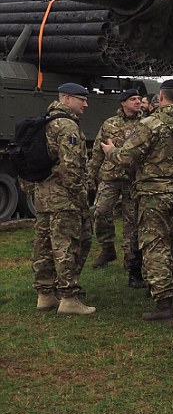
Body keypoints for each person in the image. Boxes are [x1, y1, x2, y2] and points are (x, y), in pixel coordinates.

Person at [101, 79, 173, 322]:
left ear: (161, 97)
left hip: (153, 195)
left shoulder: (151, 124)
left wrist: (110, 152)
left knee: (155, 246)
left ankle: (164, 305)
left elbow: (127, 157)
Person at [32, 82, 96, 315]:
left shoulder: (44, 122)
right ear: (67, 98)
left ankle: (45, 294)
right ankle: (68, 298)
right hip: (64, 198)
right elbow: (71, 168)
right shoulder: (67, 126)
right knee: (66, 245)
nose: (86, 104)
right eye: (82, 99)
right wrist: (81, 197)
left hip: (43, 196)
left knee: (44, 246)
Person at [89, 89, 143, 287]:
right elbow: (97, 151)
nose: (137, 102)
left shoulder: (145, 124)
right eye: (133, 99)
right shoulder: (110, 124)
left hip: (133, 179)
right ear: (123, 103)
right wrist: (90, 175)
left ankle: (131, 259)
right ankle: (107, 248)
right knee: (100, 212)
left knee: (132, 221)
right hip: (109, 177)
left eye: (139, 99)